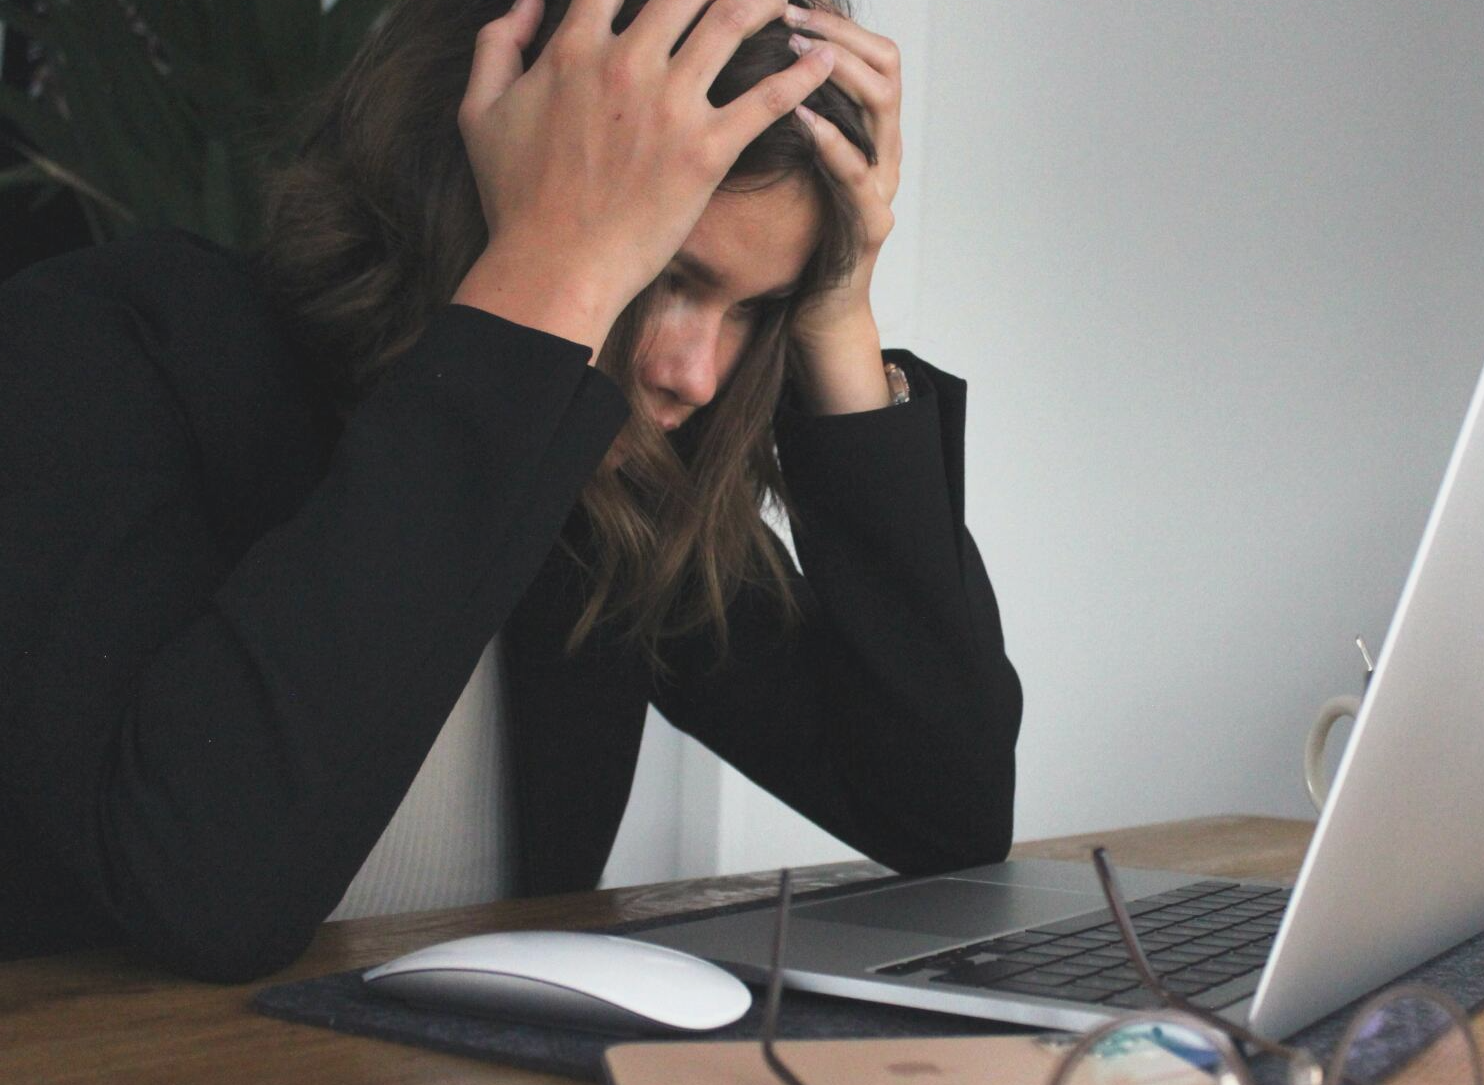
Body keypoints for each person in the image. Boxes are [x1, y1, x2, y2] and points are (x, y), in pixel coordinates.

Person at [0, 0, 1021, 982]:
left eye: (753, 308)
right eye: (666, 272)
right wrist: (550, 273)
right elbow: (204, 894)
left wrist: (837, 313)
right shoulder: (99, 348)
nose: (695, 373)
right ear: (481, 168)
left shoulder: (607, 482)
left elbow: (942, 810)